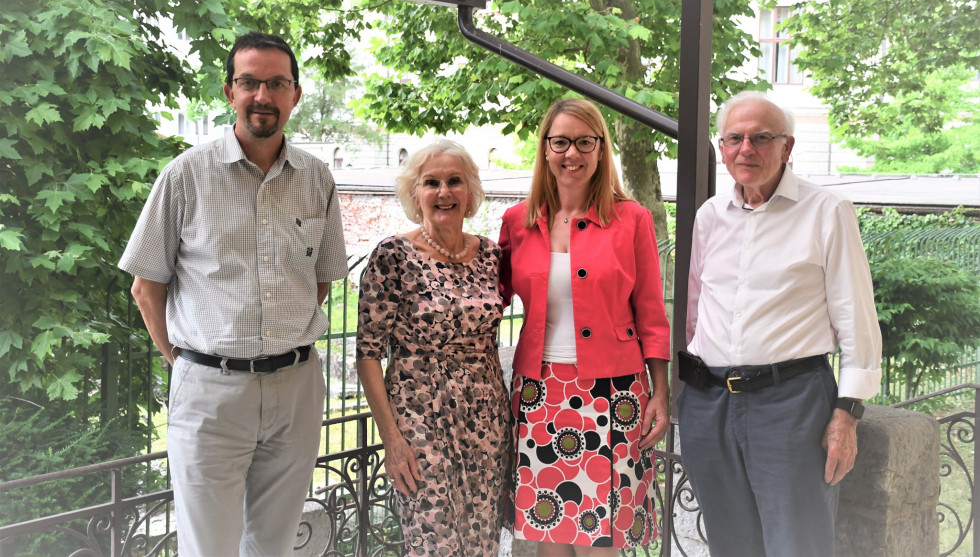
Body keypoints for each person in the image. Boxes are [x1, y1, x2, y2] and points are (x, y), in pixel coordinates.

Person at [119, 31, 348, 556]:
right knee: (210, 548)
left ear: (295, 94)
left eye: (275, 84)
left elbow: (321, 279)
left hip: (296, 387)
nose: (262, 96)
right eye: (249, 83)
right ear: (229, 92)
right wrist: (180, 361)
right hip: (210, 390)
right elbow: (145, 285)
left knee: (274, 544)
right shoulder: (185, 176)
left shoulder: (317, 179)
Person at [678, 90, 883, 557]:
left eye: (761, 138)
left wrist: (847, 413)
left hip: (790, 405)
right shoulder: (710, 216)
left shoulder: (826, 211)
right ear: (722, 146)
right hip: (709, 405)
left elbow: (857, 317)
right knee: (730, 544)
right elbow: (693, 310)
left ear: (786, 147)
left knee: (798, 544)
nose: (746, 149)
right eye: (734, 138)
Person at [498, 97, 671, 555]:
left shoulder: (631, 218)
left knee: (604, 540)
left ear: (600, 149)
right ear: (545, 148)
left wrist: (661, 393)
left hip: (615, 394)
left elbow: (652, 312)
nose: (571, 154)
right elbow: (484, 300)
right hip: (538, 393)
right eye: (560, 142)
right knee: (549, 535)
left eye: (583, 142)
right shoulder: (517, 221)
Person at [355, 140, 512, 556]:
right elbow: (368, 354)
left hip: (487, 419)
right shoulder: (393, 256)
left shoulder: (493, 256)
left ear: (471, 193)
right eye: (432, 182)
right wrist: (391, 440)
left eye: (455, 181)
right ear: (414, 194)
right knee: (434, 543)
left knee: (482, 542)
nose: (444, 192)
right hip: (421, 419)